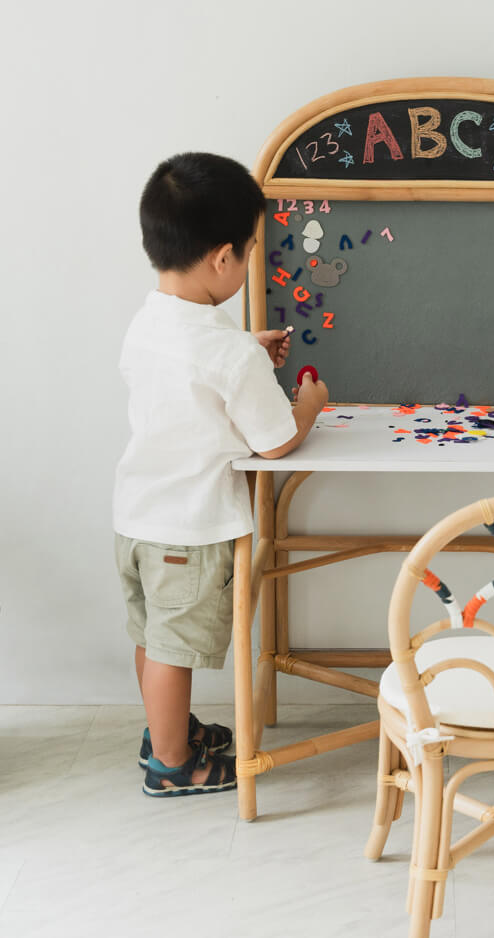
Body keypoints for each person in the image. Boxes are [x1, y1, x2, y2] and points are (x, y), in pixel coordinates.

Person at [113, 152, 329, 797]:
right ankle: (175, 767)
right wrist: (308, 405)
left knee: (153, 640)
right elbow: (277, 443)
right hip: (194, 529)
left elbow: (190, 386)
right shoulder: (227, 352)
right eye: (251, 249)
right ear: (222, 258)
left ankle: (165, 732)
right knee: (175, 652)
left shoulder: (148, 321)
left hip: (137, 519)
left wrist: (246, 355)